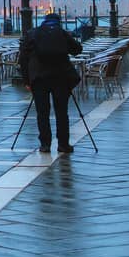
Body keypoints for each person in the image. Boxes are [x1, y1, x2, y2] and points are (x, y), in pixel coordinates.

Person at [17, 11, 82, 153]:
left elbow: (23, 58)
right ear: (58, 22)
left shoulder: (33, 34)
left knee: (42, 112)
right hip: (61, 78)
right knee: (61, 112)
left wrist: (26, 80)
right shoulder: (62, 33)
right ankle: (63, 144)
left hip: (39, 78)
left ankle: (45, 144)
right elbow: (77, 50)